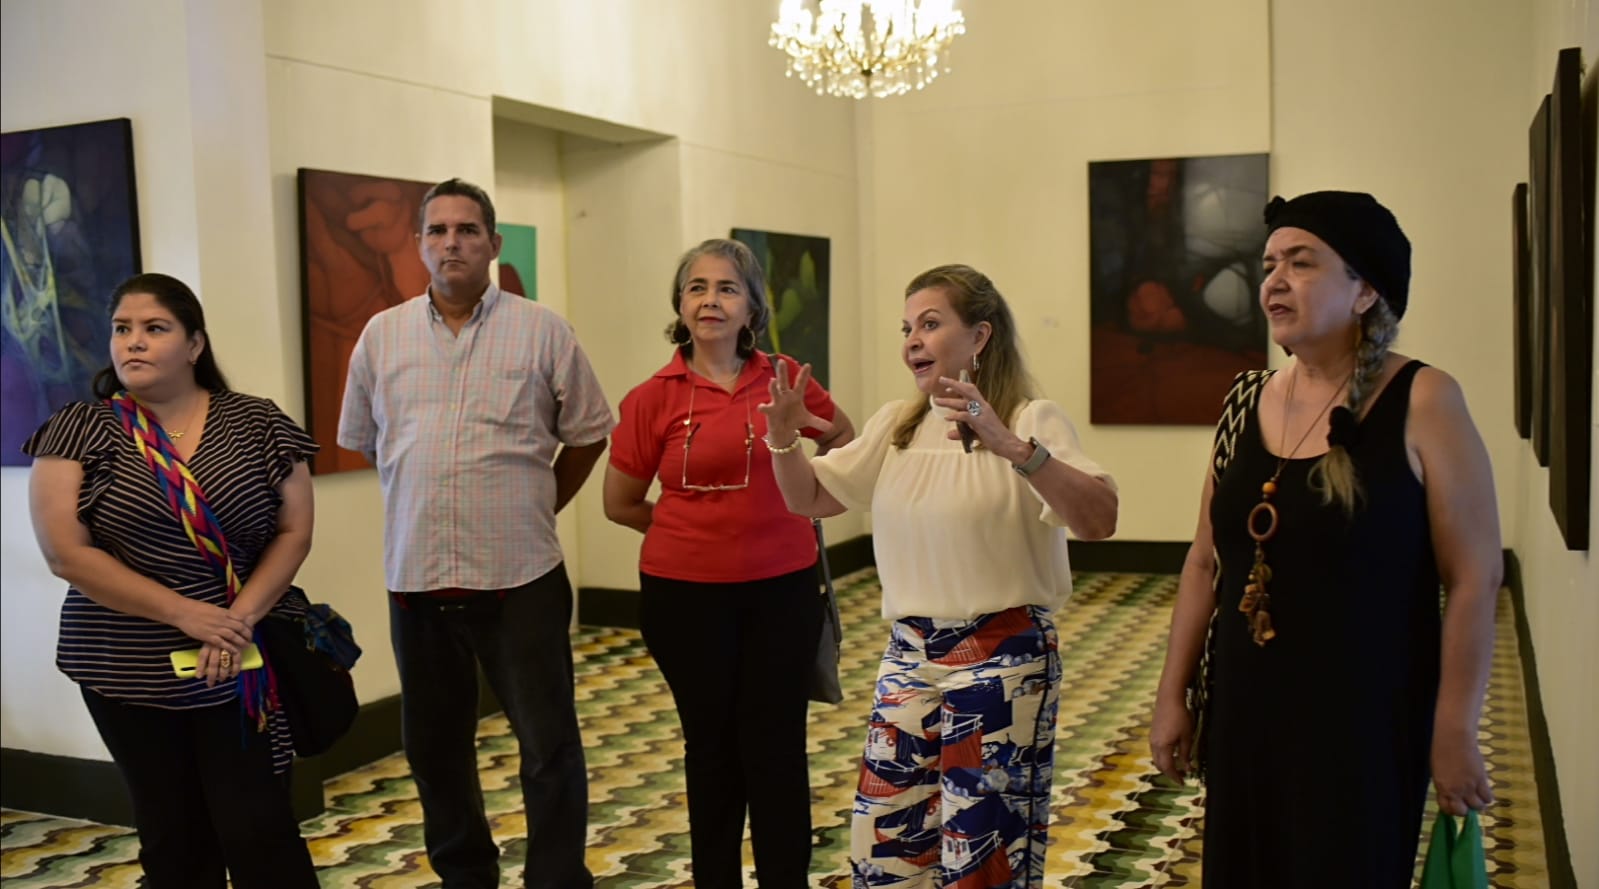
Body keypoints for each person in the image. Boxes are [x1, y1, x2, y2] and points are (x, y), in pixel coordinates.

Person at [1148, 191, 1500, 888]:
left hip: (1363, 718)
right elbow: (1203, 560)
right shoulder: (1244, 398)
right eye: (1269, 262)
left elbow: (1472, 576)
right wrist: (1172, 691)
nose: (1273, 280)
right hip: (1245, 707)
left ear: (1366, 289)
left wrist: (1454, 725)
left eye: (1300, 262)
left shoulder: (1424, 399)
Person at [761, 264, 1119, 888]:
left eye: (930, 324)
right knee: (887, 854)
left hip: (1003, 659)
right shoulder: (897, 425)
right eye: (907, 328)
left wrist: (1011, 446)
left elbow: (1098, 520)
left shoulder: (1032, 418)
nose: (912, 340)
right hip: (910, 655)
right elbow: (811, 499)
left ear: (980, 337)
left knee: (982, 857)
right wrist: (783, 441)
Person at [337, 178, 613, 889]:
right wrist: (433, 488)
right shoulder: (381, 335)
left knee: (547, 743)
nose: (451, 242)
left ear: (492, 242)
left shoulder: (542, 328)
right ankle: (465, 874)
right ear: (419, 244)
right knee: (433, 747)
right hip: (418, 578)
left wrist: (534, 502)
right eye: (437, 231)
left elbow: (587, 434)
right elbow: (371, 443)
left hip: (520, 575)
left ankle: (554, 877)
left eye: (467, 230)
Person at [24, 272, 320, 888]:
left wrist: (232, 624)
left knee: (260, 827)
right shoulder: (78, 429)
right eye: (122, 329)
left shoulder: (258, 423)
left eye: (154, 329)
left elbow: (294, 531)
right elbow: (67, 554)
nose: (133, 342)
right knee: (172, 833)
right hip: (124, 667)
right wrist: (188, 615)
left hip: (238, 658)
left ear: (194, 345)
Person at [601, 238, 855, 888]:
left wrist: (806, 443)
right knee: (710, 749)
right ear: (680, 305)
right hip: (684, 601)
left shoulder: (786, 377)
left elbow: (846, 444)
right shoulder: (650, 397)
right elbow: (621, 501)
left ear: (751, 307)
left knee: (774, 748)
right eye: (696, 287)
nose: (710, 300)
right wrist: (694, 533)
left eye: (726, 288)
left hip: (783, 593)